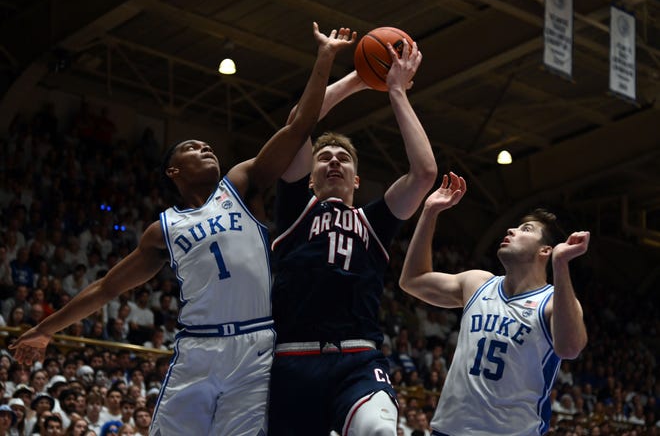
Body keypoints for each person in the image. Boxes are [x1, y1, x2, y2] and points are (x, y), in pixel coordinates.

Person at [10, 22, 356, 436]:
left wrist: (324, 58)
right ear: (174, 171)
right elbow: (107, 288)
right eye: (192, 147)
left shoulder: (242, 185)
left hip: (255, 347)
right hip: (198, 348)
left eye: (206, 145)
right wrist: (44, 330)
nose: (205, 147)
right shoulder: (163, 230)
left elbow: (299, 127)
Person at [268, 38, 437, 435]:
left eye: (342, 158)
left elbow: (424, 172)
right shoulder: (296, 209)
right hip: (294, 359)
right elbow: (298, 124)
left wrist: (395, 90)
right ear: (308, 178)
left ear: (356, 180)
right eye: (324, 157)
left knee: (378, 432)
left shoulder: (374, 221)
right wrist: (356, 80)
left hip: (358, 359)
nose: (333, 161)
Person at [398, 172, 590, 436]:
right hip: (448, 430)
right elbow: (412, 280)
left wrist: (561, 265)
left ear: (545, 250)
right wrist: (430, 212)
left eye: (526, 229)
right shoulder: (478, 283)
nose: (511, 229)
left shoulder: (553, 303)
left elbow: (569, 349)